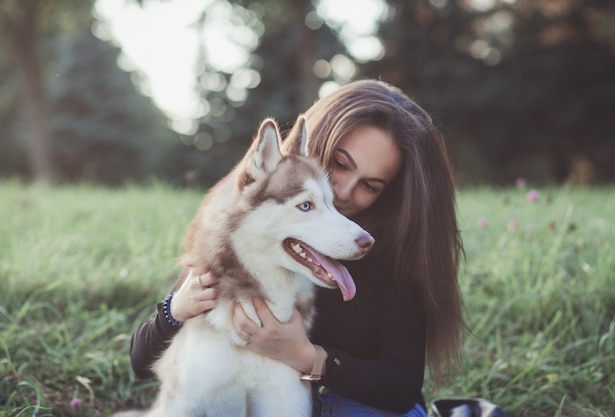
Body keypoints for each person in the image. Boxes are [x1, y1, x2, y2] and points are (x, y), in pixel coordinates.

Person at [128, 79, 464, 417]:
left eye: (370, 185)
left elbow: (401, 388)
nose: (345, 191)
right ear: (316, 144)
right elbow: (142, 361)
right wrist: (175, 310)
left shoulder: (391, 254)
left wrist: (306, 357)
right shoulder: (249, 235)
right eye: (340, 164)